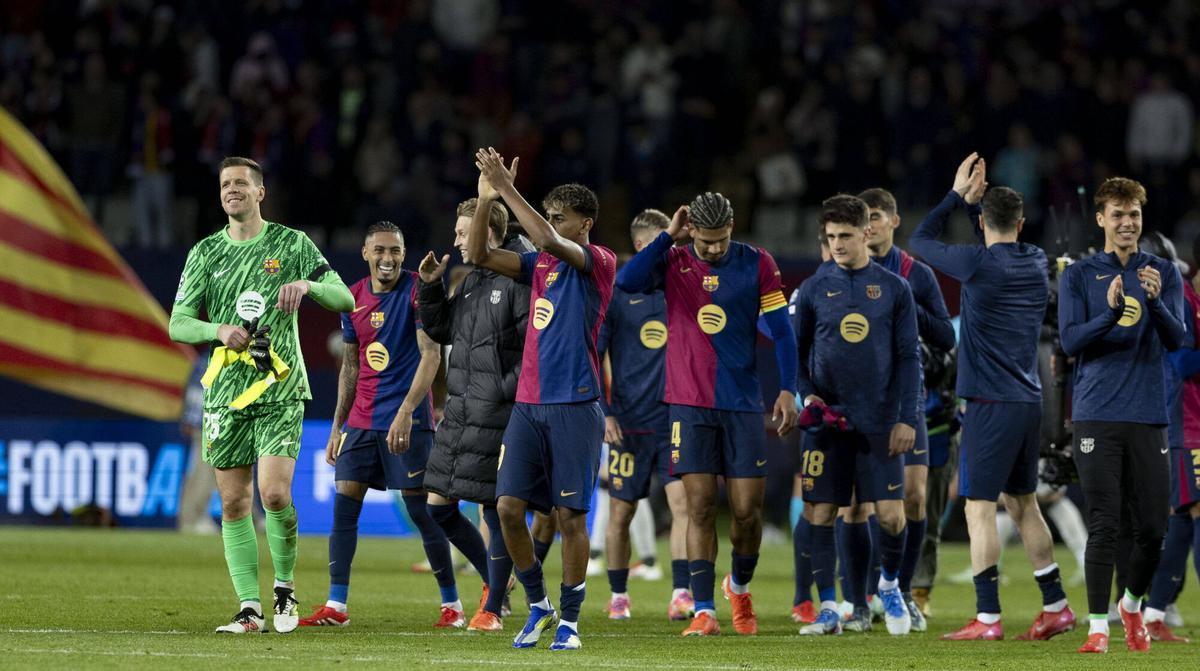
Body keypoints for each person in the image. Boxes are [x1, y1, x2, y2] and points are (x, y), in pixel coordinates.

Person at [168, 156, 354, 633]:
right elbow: (178, 323)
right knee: (232, 504)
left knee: (273, 494)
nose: (231, 190)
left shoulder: (290, 243)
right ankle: (249, 608)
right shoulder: (206, 252)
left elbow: (346, 299)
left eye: (240, 184)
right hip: (226, 393)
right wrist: (217, 328)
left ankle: (285, 590)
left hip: (278, 385)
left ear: (260, 192)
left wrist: (307, 284)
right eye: (225, 184)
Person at [616, 192, 799, 637]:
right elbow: (626, 282)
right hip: (687, 405)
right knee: (698, 507)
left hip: (740, 405)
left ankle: (737, 587)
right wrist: (665, 238)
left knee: (746, 513)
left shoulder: (758, 263)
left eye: (721, 240)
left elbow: (782, 332)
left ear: (732, 227)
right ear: (691, 229)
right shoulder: (673, 261)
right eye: (706, 240)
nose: (714, 249)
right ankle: (704, 611)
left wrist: (790, 390)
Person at [910, 154, 1075, 642]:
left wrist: (957, 197)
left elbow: (919, 241)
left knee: (978, 508)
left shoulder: (976, 263)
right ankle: (1056, 606)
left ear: (981, 223)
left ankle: (986, 618)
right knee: (1025, 505)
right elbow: (996, 241)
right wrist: (975, 210)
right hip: (1028, 403)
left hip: (988, 403)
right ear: (1022, 224)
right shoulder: (1034, 260)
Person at [471, 148, 617, 651]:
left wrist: (509, 191)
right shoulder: (540, 267)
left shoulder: (597, 262)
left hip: (575, 405)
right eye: (549, 212)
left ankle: (572, 621)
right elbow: (479, 256)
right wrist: (486, 196)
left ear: (585, 224)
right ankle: (538, 607)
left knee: (570, 516)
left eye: (561, 216)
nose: (552, 222)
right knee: (508, 507)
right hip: (529, 406)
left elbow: (544, 237)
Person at [299, 221, 454, 628]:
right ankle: (336, 606)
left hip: (407, 420)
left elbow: (431, 355)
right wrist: (337, 426)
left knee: (424, 512)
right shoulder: (352, 298)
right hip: (362, 421)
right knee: (343, 508)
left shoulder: (418, 289)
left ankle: (451, 605)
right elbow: (350, 367)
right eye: (380, 251)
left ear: (404, 253)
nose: (388, 258)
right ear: (366, 253)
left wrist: (406, 411)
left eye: (395, 251)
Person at [1058, 177, 1186, 653]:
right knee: (1106, 522)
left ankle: (1132, 603)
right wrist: (1110, 314)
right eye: (1117, 214)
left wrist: (1152, 303)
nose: (1127, 223)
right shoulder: (1078, 275)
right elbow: (1071, 341)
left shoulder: (1163, 272)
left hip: (1149, 414)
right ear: (1101, 219)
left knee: (1154, 528)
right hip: (1095, 413)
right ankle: (1097, 627)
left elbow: (1178, 340)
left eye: (1133, 214)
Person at [793, 194, 919, 637]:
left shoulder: (894, 288)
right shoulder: (811, 289)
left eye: (845, 235)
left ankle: (888, 585)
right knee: (822, 513)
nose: (837, 244)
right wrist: (806, 398)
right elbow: (797, 357)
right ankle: (829, 607)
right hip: (828, 424)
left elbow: (908, 359)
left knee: (890, 515)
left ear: (866, 232)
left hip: (880, 422)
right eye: (830, 236)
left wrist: (906, 417)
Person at [414, 197, 534, 632]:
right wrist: (430, 287)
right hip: (463, 411)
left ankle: (492, 607)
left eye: (464, 232)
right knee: (439, 508)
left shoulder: (519, 275)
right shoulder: (472, 280)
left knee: (493, 510)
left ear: (489, 232)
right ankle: (495, 585)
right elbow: (445, 330)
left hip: (496, 411)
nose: (457, 240)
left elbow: (529, 347)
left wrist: (505, 394)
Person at [860, 187, 956, 632]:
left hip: (907, 400)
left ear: (894, 221)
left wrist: (904, 302)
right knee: (855, 506)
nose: (871, 224)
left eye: (878, 216)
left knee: (914, 499)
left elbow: (945, 336)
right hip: (859, 402)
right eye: (865, 217)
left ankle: (897, 588)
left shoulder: (915, 274)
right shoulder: (845, 271)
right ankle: (859, 598)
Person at [599, 209, 694, 621]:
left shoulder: (680, 288)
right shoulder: (617, 294)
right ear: (643, 246)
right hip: (629, 422)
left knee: (684, 508)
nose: (671, 250)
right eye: (663, 242)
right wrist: (604, 413)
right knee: (621, 512)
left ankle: (682, 592)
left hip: (674, 420)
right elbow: (593, 353)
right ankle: (619, 595)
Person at [1144, 232, 1200, 643]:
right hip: (1189, 428)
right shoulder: (1184, 301)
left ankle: (1153, 613)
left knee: (1181, 525)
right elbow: (1181, 361)